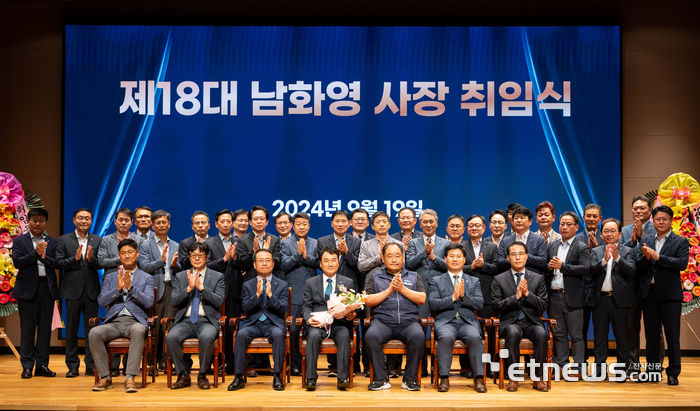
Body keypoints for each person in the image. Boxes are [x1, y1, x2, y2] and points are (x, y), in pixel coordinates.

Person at [89, 239, 154, 392]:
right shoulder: (110, 277)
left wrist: (131, 288)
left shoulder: (146, 278)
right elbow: (102, 301)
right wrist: (117, 290)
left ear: (137, 254)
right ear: (118, 255)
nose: (126, 256)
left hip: (135, 321)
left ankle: (130, 377)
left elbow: (149, 302)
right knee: (94, 332)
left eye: (130, 252)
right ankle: (105, 377)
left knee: (139, 331)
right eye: (123, 253)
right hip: (114, 322)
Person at [636, 205, 689, 386]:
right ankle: (652, 370)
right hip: (649, 294)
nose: (660, 222)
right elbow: (640, 265)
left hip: (670, 295)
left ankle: (673, 372)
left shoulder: (680, 241)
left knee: (672, 335)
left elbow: (682, 264)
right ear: (653, 221)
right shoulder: (646, 238)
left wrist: (658, 258)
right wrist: (646, 257)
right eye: (657, 219)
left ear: (671, 220)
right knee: (651, 336)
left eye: (664, 219)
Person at [364, 243, 426, 391]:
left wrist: (402, 289)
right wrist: (390, 290)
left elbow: (422, 298)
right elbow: (368, 301)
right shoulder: (375, 278)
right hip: (383, 322)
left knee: (418, 336)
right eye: (389, 256)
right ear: (383, 259)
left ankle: (409, 379)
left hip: (408, 322)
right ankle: (381, 378)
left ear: (403, 258)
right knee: (371, 336)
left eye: (397, 256)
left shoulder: (414, 276)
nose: (394, 259)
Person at [491, 241, 549, 392]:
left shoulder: (537, 278)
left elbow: (543, 304)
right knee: (513, 332)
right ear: (508, 258)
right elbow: (496, 306)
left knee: (542, 334)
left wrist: (528, 294)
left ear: (527, 256)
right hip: (510, 321)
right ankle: (513, 378)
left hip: (531, 321)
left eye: (521, 254)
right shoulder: (499, 279)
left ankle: (538, 378)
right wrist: (515, 298)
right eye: (513, 254)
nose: (517, 257)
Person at [228, 249, 290, 391]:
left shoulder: (282, 285)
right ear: (255, 265)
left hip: (273, 323)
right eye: (260, 261)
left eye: (267, 260)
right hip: (254, 323)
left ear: (273, 264)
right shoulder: (248, 285)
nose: (264, 263)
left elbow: (283, 308)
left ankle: (277, 375)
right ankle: (238, 376)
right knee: (241, 334)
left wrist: (270, 296)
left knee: (278, 335)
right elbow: (245, 307)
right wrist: (256, 295)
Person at [166, 242, 225, 390]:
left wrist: (202, 288)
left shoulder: (217, 276)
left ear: (207, 257)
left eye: (200, 255)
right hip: (185, 321)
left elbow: (219, 301)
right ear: (189, 257)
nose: (197, 258)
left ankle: (202, 375)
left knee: (206, 337)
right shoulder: (181, 276)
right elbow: (173, 302)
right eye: (193, 255)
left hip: (207, 321)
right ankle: (183, 374)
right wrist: (188, 289)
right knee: (171, 337)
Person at [429, 243, 487, 393]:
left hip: (467, 321)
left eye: (458, 256)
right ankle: (444, 378)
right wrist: (453, 297)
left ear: (464, 259)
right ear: (446, 259)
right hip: (445, 321)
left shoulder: (473, 281)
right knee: (446, 337)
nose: (455, 259)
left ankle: (478, 378)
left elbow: (479, 303)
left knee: (475, 337)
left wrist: (463, 297)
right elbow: (434, 304)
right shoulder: (436, 280)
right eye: (451, 256)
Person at [12, 208, 59, 379]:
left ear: (46, 223)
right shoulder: (20, 241)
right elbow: (17, 262)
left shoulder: (53, 242)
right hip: (27, 290)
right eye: (34, 220)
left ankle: (42, 365)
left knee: (45, 330)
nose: (37, 223)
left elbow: (57, 263)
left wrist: (44, 257)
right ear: (28, 222)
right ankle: (27, 366)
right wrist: (36, 254)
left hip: (47, 288)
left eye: (41, 220)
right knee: (27, 330)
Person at [96, 207, 144, 376]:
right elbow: (101, 261)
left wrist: (128, 258)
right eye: (120, 220)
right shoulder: (106, 240)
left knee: (133, 323)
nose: (123, 223)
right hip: (112, 284)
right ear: (115, 221)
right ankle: (114, 367)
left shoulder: (139, 239)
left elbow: (143, 260)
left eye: (127, 220)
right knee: (113, 321)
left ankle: (129, 367)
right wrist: (125, 257)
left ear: (132, 222)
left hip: (135, 281)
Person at [55, 208, 103, 378]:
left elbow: (100, 264)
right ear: (74, 220)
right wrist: (74, 259)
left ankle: (91, 365)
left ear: (91, 221)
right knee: (71, 331)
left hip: (91, 291)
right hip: (71, 291)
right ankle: (72, 365)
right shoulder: (63, 240)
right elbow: (59, 263)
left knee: (92, 331)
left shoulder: (97, 240)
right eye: (80, 218)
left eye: (87, 218)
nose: (84, 221)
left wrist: (91, 259)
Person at [301, 246, 356, 391]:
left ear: (338, 263)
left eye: (333, 260)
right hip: (318, 325)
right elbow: (306, 306)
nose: (330, 264)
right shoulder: (311, 282)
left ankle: (342, 378)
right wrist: (308, 319)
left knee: (344, 335)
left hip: (339, 324)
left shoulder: (348, 282)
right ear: (320, 264)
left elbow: (352, 306)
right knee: (312, 336)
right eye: (326, 261)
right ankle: (311, 378)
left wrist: (351, 314)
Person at [586, 218, 635, 376]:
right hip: (600, 300)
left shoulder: (628, 251)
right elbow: (591, 271)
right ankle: (600, 370)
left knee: (622, 337)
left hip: (620, 301)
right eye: (606, 231)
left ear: (620, 234)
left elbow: (631, 272)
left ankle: (622, 369)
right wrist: (604, 260)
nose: (609, 234)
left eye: (613, 230)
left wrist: (617, 258)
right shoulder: (596, 251)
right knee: (600, 336)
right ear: (601, 234)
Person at [544, 211, 590, 376]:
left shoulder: (581, 247)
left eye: (568, 224)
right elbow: (548, 269)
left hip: (573, 298)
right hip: (554, 296)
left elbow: (585, 269)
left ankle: (577, 368)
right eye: (562, 224)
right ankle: (561, 366)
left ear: (576, 227)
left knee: (576, 335)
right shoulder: (552, 245)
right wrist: (549, 268)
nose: (564, 227)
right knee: (559, 334)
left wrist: (562, 266)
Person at [620, 195, 663, 369]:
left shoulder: (657, 229)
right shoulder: (624, 230)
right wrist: (632, 240)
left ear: (650, 210)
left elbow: (657, 256)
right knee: (631, 328)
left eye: (642, 208)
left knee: (654, 328)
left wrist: (642, 238)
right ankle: (633, 365)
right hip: (630, 285)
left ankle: (655, 366)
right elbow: (622, 254)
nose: (638, 211)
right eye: (635, 208)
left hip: (651, 286)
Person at [357, 211, 401, 375]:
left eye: (385, 221)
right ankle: (370, 366)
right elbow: (361, 266)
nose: (382, 224)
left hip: (394, 285)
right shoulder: (366, 244)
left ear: (389, 225)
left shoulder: (398, 243)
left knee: (395, 322)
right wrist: (380, 257)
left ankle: (392, 367)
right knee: (370, 326)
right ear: (372, 225)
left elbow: (403, 265)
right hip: (372, 287)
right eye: (378, 222)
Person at [138, 209, 181, 372]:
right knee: (153, 328)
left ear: (169, 225)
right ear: (152, 225)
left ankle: (166, 361)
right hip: (153, 290)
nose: (161, 225)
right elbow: (144, 267)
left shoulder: (175, 245)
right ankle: (151, 363)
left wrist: (175, 265)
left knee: (168, 328)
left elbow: (181, 269)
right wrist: (161, 261)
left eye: (164, 222)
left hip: (172, 289)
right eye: (158, 223)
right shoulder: (145, 245)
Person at [405, 208, 447, 376]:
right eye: (425, 222)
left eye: (431, 221)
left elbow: (449, 266)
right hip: (419, 290)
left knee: (441, 330)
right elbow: (409, 265)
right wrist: (425, 252)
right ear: (419, 224)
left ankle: (439, 369)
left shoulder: (445, 243)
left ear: (436, 223)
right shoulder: (414, 243)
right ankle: (420, 369)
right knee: (419, 330)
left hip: (440, 291)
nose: (428, 224)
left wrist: (434, 258)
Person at [280, 212, 319, 377]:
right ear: (292, 225)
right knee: (294, 331)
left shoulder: (316, 243)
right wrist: (298, 255)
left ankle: (310, 365)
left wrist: (305, 256)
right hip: (294, 294)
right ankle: (295, 364)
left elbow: (319, 263)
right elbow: (284, 266)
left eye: (305, 224)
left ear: (309, 226)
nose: (301, 227)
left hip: (313, 294)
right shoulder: (285, 243)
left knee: (312, 330)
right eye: (298, 224)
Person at [206, 209, 243, 375]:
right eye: (223, 221)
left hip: (236, 291)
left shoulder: (240, 241)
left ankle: (231, 364)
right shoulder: (209, 243)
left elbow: (245, 266)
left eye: (229, 221)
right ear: (216, 224)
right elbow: (206, 267)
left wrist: (236, 260)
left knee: (232, 329)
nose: (226, 224)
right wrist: (225, 260)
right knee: (217, 328)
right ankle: (215, 364)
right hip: (215, 291)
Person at [461, 214, 498, 377]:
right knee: (467, 330)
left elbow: (497, 268)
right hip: (466, 296)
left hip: (486, 295)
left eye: (478, 225)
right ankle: (466, 368)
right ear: (467, 228)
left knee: (487, 333)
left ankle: (488, 368)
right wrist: (472, 267)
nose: (474, 228)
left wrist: (484, 265)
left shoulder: (492, 247)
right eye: (471, 225)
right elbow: (457, 269)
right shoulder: (461, 246)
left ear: (484, 228)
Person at [575, 203, 604, 365]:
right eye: (588, 216)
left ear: (600, 218)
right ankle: (582, 360)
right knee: (581, 329)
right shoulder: (576, 238)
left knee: (600, 329)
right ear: (583, 218)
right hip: (581, 290)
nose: (591, 219)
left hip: (601, 290)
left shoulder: (606, 236)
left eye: (595, 216)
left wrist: (597, 249)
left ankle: (600, 363)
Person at [236, 206, 284, 283]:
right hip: (251, 283)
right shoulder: (242, 240)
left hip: (272, 282)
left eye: (262, 219)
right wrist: (254, 251)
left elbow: (278, 263)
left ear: (267, 222)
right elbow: (242, 265)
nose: (259, 221)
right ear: (250, 222)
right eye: (255, 219)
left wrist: (267, 252)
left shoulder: (274, 239)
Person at [497, 206, 547, 274]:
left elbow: (542, 262)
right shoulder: (505, 240)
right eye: (516, 218)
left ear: (530, 221)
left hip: (532, 279)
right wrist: (513, 258)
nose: (519, 220)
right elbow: (500, 262)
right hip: (509, 280)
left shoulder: (539, 239)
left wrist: (524, 256)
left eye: (522, 218)